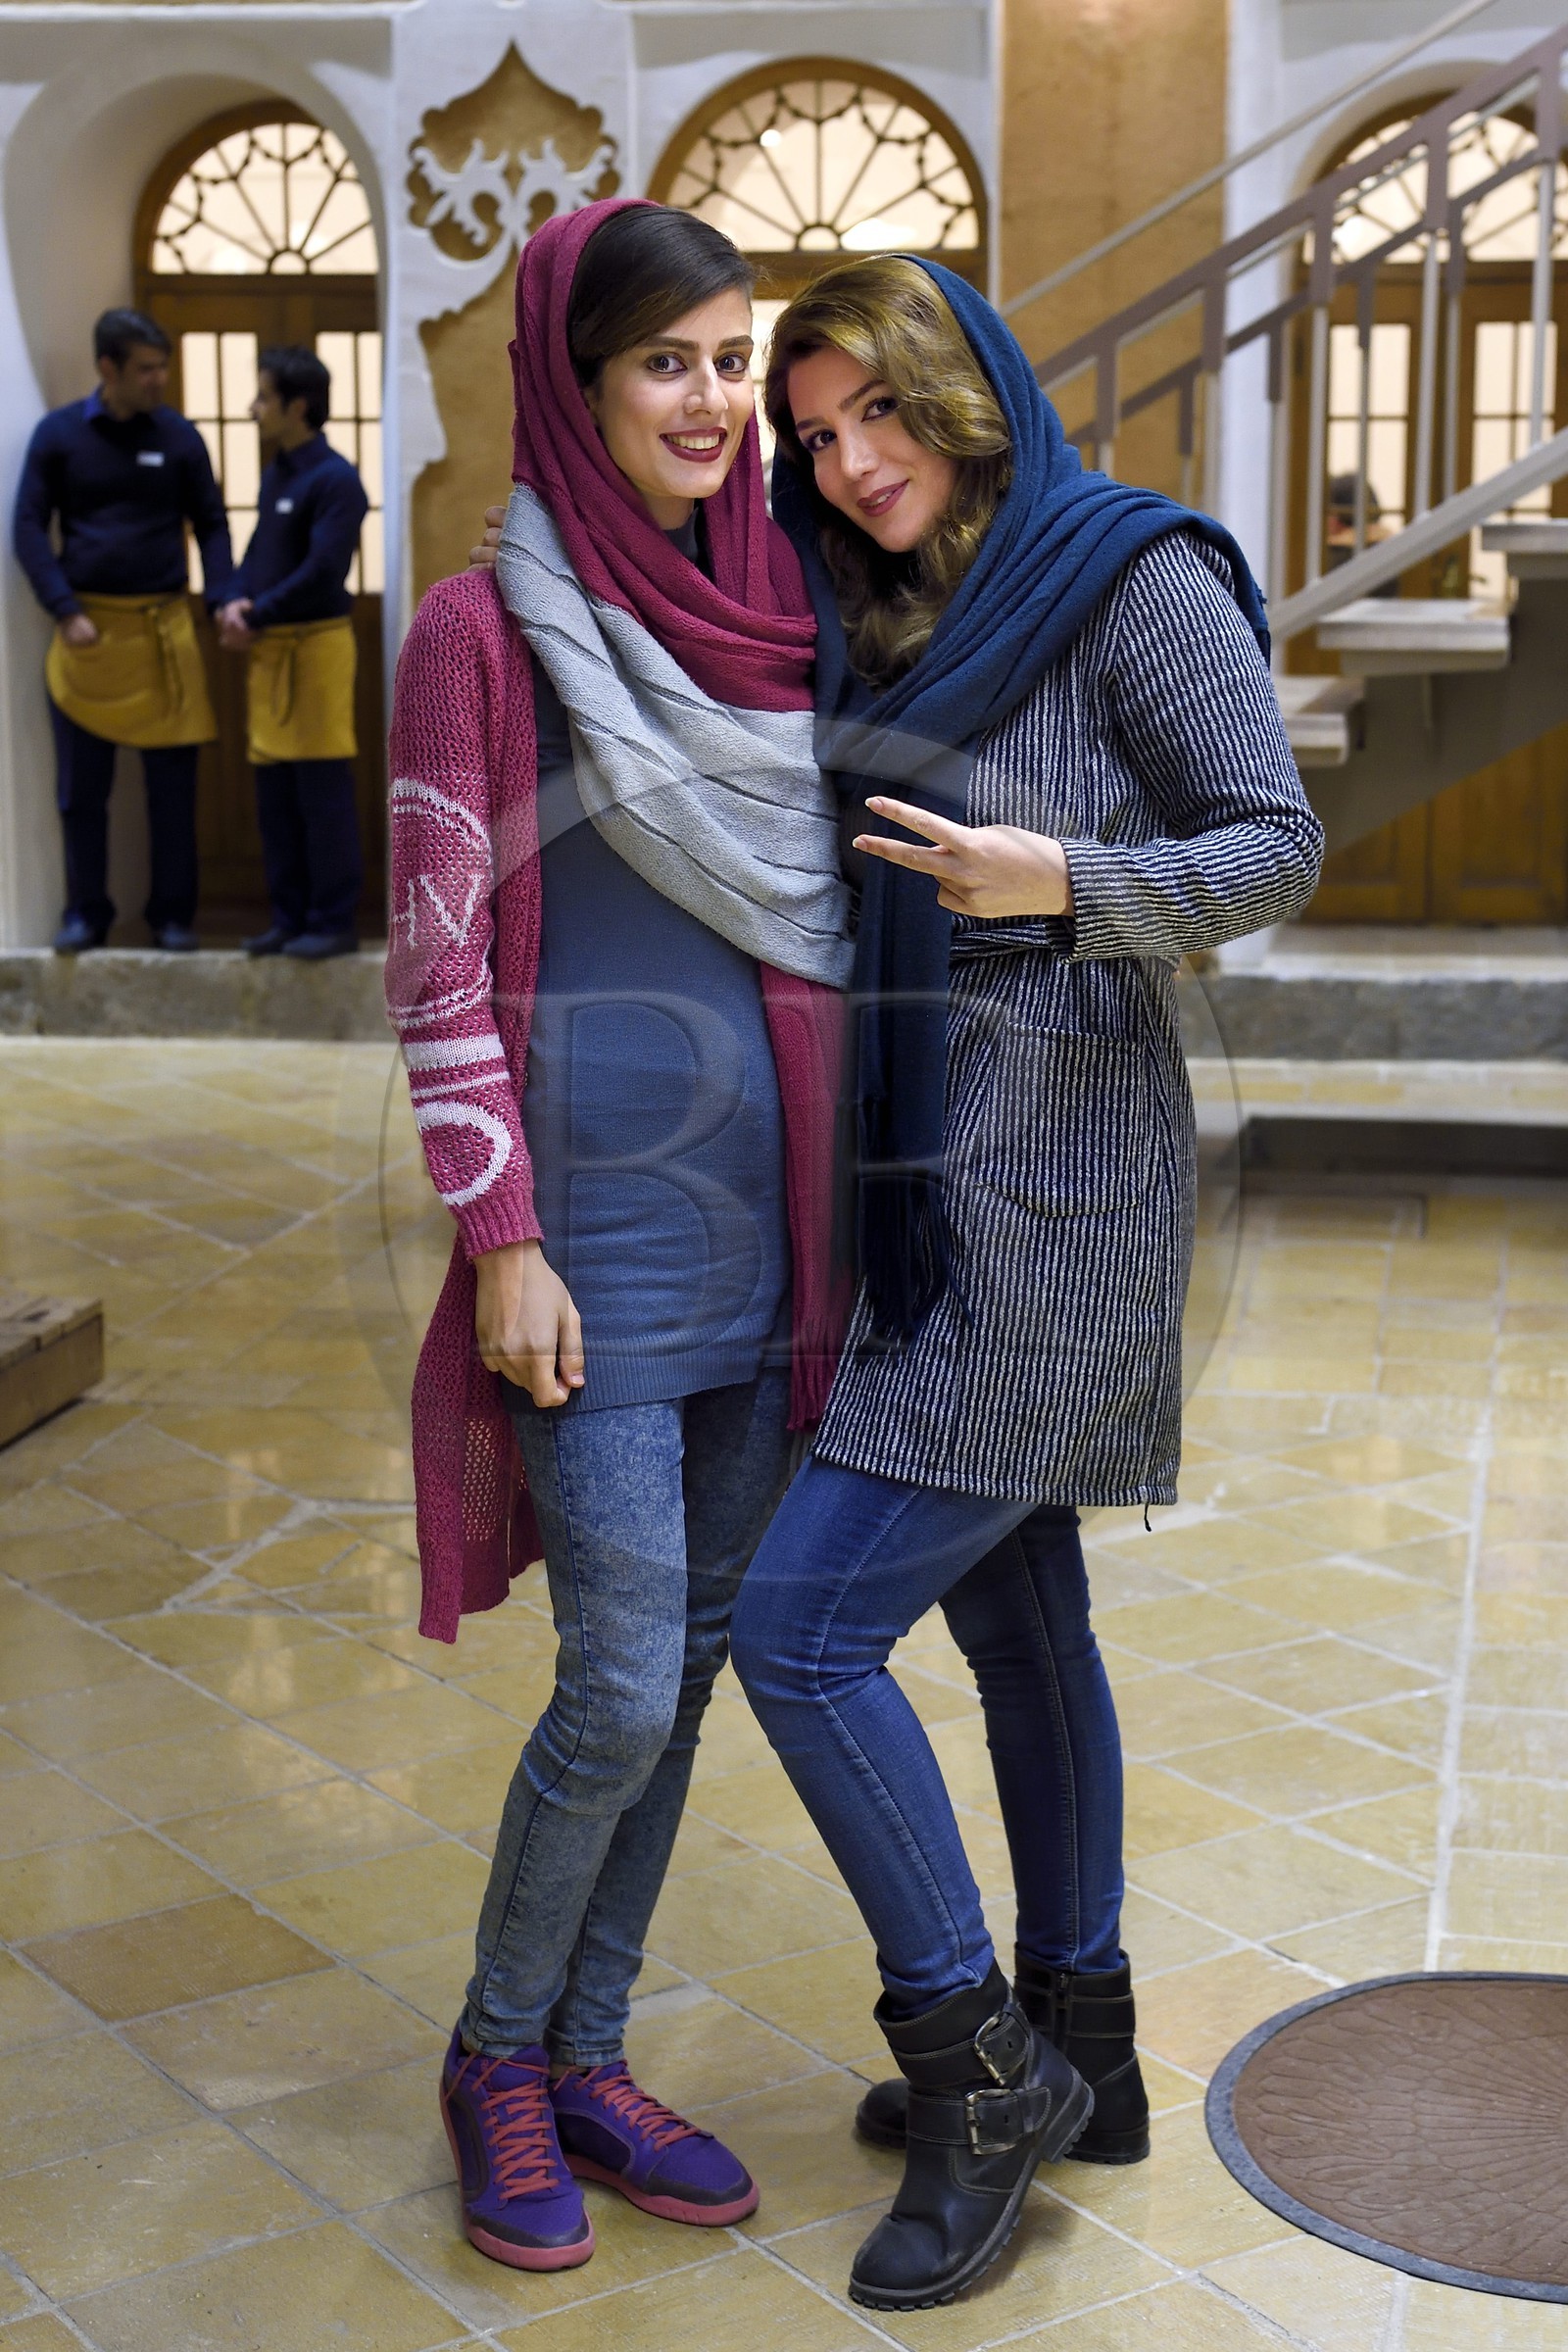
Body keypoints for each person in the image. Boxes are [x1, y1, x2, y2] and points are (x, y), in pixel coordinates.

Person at [712, 255, 1326, 2313]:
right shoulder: (874, 612)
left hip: (1054, 1185)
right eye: (813, 435)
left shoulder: (1127, 574)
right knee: (1019, 1616)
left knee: (801, 1634)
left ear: (960, 390)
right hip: (921, 1173)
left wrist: (1063, 882)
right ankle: (1085, 2041)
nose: (847, 461)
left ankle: (978, 2075)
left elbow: (1271, 844)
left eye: (875, 410)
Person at [384, 199, 850, 2276]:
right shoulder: (479, 635)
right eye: (668, 359)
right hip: (587, 1258)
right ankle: (495, 2054)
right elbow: (434, 965)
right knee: (623, 1684)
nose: (711, 398)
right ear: (575, 384)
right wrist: (500, 1235)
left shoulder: (778, 610)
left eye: (735, 359)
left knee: (699, 1668)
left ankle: (589, 2049)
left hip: (773, 1249)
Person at [13, 307, 232, 953]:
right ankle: (86, 913)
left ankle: (172, 917)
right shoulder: (58, 435)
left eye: (162, 367)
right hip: (88, 633)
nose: (159, 379)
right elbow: (28, 526)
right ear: (107, 367)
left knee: (172, 792)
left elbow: (212, 524)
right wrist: (63, 608)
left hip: (165, 631)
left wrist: (221, 599)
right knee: (81, 792)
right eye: (146, 369)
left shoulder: (180, 438)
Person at [217, 346, 368, 959]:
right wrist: (233, 599)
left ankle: (332, 922)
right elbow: (258, 552)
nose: (253, 408)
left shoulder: (336, 480)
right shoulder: (277, 471)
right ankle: (288, 917)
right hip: (271, 649)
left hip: (316, 650)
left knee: (321, 792)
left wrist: (256, 613)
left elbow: (322, 570)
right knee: (275, 795)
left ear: (297, 406)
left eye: (263, 397)